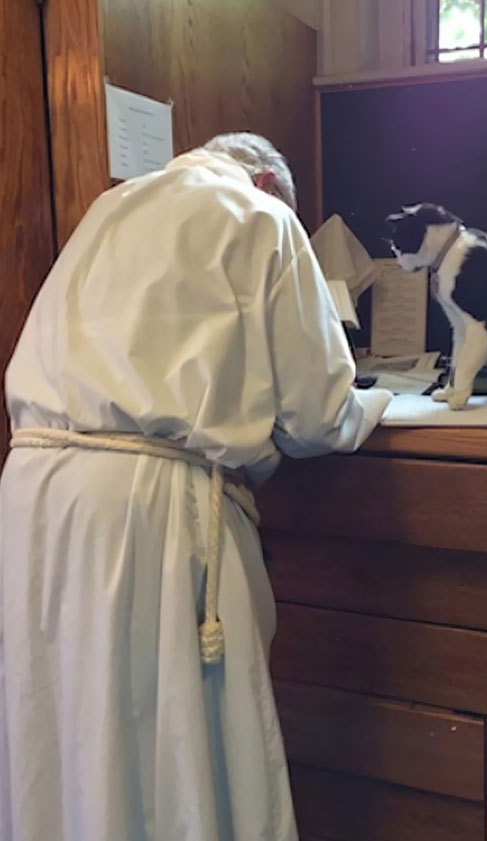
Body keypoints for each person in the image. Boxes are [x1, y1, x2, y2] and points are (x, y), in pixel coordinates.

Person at [0, 133, 391, 841]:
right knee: (172, 739)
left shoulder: (109, 209)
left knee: (62, 729)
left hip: (34, 494)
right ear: (270, 182)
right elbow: (317, 415)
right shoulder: (261, 216)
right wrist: (377, 400)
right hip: (148, 503)